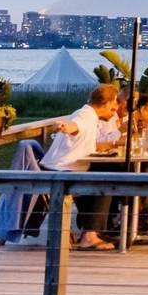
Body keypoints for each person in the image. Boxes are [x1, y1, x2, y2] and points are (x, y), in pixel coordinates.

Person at [39, 84, 119, 251]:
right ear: (105, 103)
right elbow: (75, 126)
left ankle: (92, 229)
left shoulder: (88, 115)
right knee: (107, 180)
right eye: (114, 103)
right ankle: (90, 235)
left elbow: (84, 140)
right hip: (60, 172)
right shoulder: (85, 116)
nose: (116, 108)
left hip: (62, 168)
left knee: (107, 170)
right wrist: (66, 127)